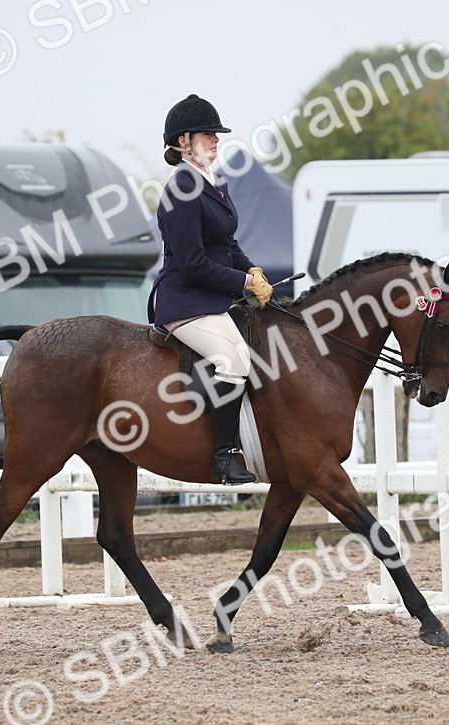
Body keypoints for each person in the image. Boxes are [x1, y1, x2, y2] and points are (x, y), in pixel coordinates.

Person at [150, 94, 273, 485]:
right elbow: (193, 263)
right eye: (208, 134)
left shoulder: (213, 182)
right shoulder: (180, 190)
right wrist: (244, 283)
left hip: (212, 301)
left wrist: (252, 268)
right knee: (233, 361)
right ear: (184, 141)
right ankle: (223, 458)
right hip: (185, 303)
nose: (216, 140)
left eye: (216, 134)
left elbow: (227, 243)